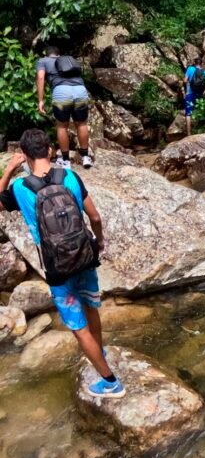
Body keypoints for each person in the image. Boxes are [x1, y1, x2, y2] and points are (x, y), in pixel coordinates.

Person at [0, 129, 124, 398]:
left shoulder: (21, 188)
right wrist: (99, 243)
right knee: (91, 306)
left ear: (25, 155)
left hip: (57, 267)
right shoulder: (70, 176)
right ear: (49, 150)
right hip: (85, 254)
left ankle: (111, 382)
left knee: (78, 329)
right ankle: (99, 351)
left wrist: (9, 170)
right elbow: (96, 217)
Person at [36, 46, 92, 169]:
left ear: (47, 54)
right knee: (82, 123)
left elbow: (40, 77)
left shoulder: (43, 61)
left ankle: (66, 161)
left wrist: (40, 100)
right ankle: (85, 157)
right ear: (58, 54)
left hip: (61, 92)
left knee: (62, 126)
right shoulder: (68, 60)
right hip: (80, 90)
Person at [183, 57, 205, 137]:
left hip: (190, 93)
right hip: (199, 94)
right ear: (201, 64)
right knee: (199, 112)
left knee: (188, 113)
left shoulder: (190, 69)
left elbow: (185, 80)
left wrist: (185, 90)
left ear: (195, 63)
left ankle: (189, 134)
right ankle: (199, 132)